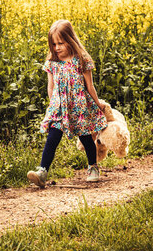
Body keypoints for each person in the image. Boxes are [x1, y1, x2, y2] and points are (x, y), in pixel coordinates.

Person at [27, 20, 107, 187]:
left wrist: (98, 104)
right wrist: (52, 106)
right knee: (52, 138)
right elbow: (51, 86)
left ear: (70, 40)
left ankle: (93, 166)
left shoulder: (82, 60)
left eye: (61, 43)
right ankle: (42, 171)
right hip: (59, 107)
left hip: (79, 106)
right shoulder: (52, 62)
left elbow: (90, 86)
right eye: (54, 44)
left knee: (86, 138)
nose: (57, 47)